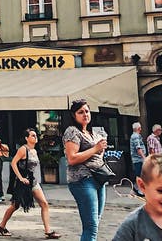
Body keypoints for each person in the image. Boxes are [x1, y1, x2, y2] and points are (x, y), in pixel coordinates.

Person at [0, 128, 60, 239]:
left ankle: (48, 231)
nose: (35, 137)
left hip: (34, 182)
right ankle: (2, 226)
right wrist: (20, 178)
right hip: (24, 183)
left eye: (35, 135)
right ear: (26, 138)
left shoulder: (35, 150)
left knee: (44, 204)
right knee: (15, 206)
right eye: (32, 135)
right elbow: (13, 163)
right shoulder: (23, 149)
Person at [64, 99, 108, 241]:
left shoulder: (91, 132)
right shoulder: (72, 131)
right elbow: (72, 158)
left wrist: (100, 148)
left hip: (98, 179)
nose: (85, 115)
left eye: (87, 111)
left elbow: (96, 155)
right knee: (91, 226)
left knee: (96, 221)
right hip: (82, 180)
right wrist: (95, 148)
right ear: (74, 115)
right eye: (80, 112)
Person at [130, 122, 147, 197]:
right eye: (140, 128)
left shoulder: (136, 136)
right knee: (139, 174)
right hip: (138, 159)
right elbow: (138, 148)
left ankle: (136, 189)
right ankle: (138, 190)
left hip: (138, 159)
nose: (141, 129)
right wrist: (144, 157)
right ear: (138, 128)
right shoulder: (135, 136)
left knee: (140, 174)